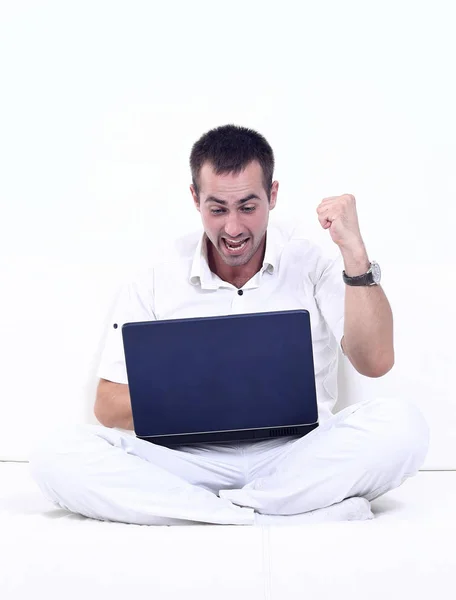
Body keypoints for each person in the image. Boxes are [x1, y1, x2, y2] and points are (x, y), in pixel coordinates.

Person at [29, 124, 430, 526]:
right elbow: (107, 404)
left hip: (297, 457)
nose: (234, 228)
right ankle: (281, 511)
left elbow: (375, 361)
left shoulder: (311, 264)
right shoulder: (154, 279)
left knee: (403, 426)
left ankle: (208, 511)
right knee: (55, 453)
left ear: (273, 196)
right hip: (189, 465)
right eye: (217, 209)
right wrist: (201, 402)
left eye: (248, 207)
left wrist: (354, 254)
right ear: (195, 198)